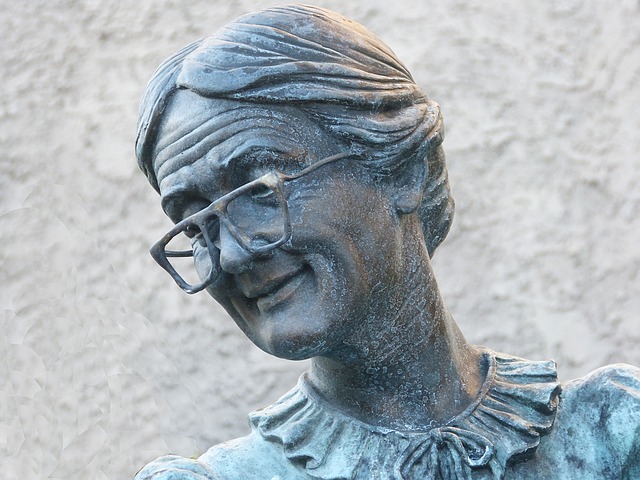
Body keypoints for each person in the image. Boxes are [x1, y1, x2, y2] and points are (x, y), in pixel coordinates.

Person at [133, 5, 640, 480]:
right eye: (195, 225)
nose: (232, 253)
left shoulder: (614, 434)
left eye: (261, 190)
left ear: (403, 170)